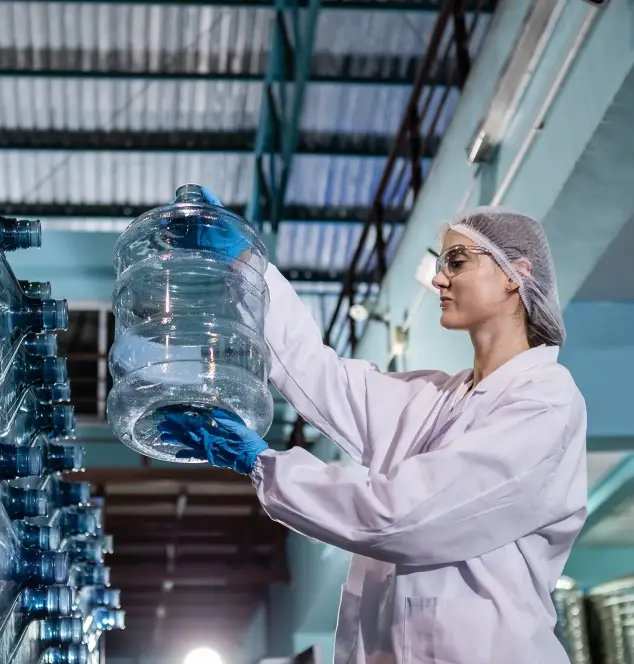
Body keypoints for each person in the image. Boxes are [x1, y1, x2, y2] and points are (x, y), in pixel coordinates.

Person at [157, 190, 588, 664]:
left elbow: (401, 517)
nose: (439, 278)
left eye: (457, 261)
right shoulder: (432, 399)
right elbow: (316, 373)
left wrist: (264, 463)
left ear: (516, 274)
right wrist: (243, 264)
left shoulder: (545, 403)